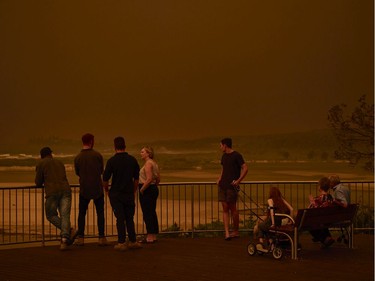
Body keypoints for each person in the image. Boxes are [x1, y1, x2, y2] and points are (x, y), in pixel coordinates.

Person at [103, 136, 142, 251]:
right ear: (125, 146)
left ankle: (121, 242)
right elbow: (136, 179)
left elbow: (105, 179)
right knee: (130, 218)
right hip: (129, 194)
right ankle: (133, 241)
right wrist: (134, 190)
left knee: (120, 218)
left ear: (115, 147)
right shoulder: (132, 160)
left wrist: (107, 190)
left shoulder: (111, 161)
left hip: (116, 194)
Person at [35, 147, 77, 250]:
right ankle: (65, 239)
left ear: (42, 155)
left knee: (50, 215)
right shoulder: (59, 162)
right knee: (65, 215)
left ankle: (69, 231)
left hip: (52, 192)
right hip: (66, 190)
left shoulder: (41, 164)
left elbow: (38, 182)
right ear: (50, 154)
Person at [74, 133, 108, 246]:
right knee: (100, 213)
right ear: (91, 141)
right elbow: (101, 171)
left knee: (82, 214)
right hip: (97, 188)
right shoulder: (97, 155)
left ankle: (81, 238)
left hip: (84, 188)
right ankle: (101, 237)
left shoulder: (78, 157)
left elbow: (77, 172)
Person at [217, 138, 248, 240]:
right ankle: (226, 232)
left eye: (221, 145)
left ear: (225, 145)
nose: (220, 147)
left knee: (233, 208)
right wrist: (220, 178)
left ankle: (235, 231)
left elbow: (245, 168)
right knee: (225, 208)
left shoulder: (237, 155)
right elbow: (223, 169)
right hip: (223, 185)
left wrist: (238, 180)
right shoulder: (224, 156)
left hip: (232, 186)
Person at [256, 186, 293, 251]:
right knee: (266, 227)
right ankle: (270, 242)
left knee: (260, 226)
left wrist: (273, 223)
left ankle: (261, 243)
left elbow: (272, 211)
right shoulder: (281, 199)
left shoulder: (270, 200)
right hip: (283, 221)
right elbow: (292, 209)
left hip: (276, 221)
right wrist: (290, 220)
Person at [138, 146, 160, 243]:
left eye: (142, 152)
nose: (141, 153)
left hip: (147, 189)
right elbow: (158, 178)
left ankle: (150, 236)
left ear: (148, 153)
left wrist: (142, 189)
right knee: (152, 212)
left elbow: (149, 178)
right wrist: (154, 186)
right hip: (153, 189)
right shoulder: (154, 163)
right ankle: (154, 235)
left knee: (147, 213)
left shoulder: (148, 164)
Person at [308, 177, 335, 248]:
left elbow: (311, 210)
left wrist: (312, 202)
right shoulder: (331, 197)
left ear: (319, 187)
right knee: (322, 221)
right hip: (329, 219)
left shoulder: (317, 199)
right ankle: (328, 237)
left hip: (321, 220)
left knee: (309, 224)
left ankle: (323, 239)